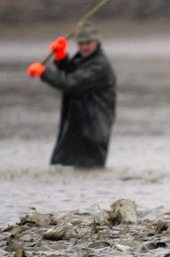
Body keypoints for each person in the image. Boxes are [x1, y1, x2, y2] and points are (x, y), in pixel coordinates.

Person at [27, 22, 116, 168]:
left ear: (97, 42)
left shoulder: (100, 65)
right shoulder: (85, 59)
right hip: (78, 128)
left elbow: (71, 83)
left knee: (84, 172)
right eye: (81, 43)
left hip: (93, 132)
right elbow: (72, 72)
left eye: (88, 43)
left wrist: (44, 73)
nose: (84, 47)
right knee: (65, 167)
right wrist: (61, 57)